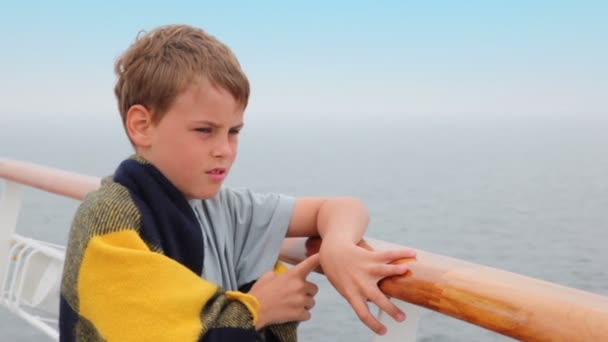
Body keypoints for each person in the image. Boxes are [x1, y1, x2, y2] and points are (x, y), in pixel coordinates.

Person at [59, 24, 416, 342]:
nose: (224, 150)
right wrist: (256, 310)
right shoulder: (107, 218)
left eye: (234, 132)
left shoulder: (228, 208)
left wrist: (337, 247)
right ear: (142, 126)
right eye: (204, 131)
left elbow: (341, 207)